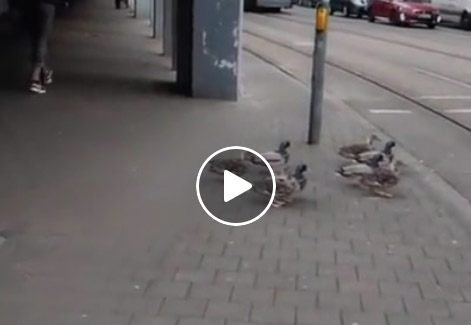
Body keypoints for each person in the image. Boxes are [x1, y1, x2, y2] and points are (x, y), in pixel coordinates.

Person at [16, 0, 64, 94]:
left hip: (28, 7)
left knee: (35, 40)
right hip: (46, 6)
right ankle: (35, 79)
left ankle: (44, 71)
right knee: (41, 40)